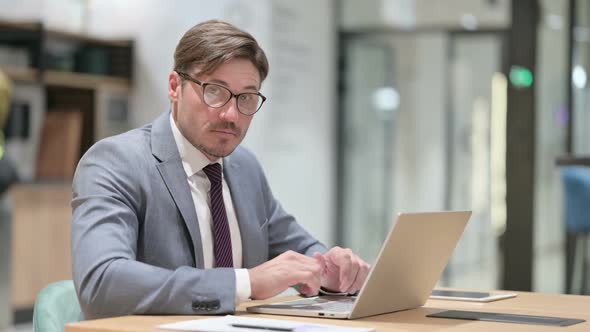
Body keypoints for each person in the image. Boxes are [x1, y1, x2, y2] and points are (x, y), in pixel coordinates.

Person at [71, 19, 370, 320]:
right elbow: (102, 282)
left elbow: (300, 249)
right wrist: (246, 283)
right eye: (215, 91)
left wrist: (332, 271)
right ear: (175, 87)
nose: (231, 114)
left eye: (247, 98)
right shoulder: (116, 162)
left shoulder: (244, 167)